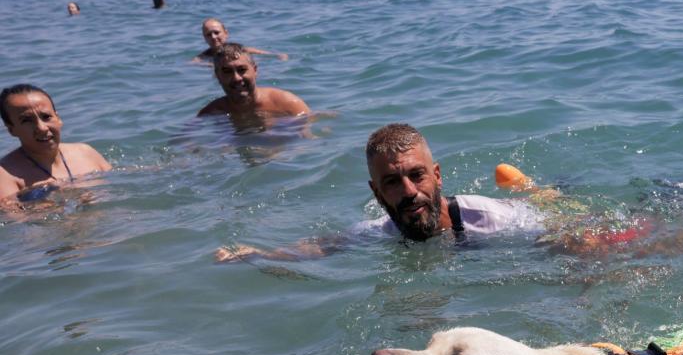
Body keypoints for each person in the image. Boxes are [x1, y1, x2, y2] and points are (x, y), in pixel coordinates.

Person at [215, 123, 545, 261]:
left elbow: (566, 229)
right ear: (376, 193)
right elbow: (326, 245)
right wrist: (259, 255)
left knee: (542, 197)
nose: (409, 191)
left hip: (528, 207)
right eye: (391, 182)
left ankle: (532, 188)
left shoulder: (493, 218)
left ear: (437, 176)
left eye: (417, 175)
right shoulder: (379, 232)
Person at [0, 84, 112, 205]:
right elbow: (14, 218)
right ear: (11, 130)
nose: (42, 128)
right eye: (27, 120)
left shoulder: (85, 152)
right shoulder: (5, 175)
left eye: (46, 117)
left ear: (58, 118)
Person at [197, 44, 310, 123]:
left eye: (242, 70)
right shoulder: (211, 112)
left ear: (255, 70)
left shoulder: (288, 104)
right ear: (217, 76)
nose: (236, 78)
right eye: (227, 72)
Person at [193, 18, 288, 63]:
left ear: (226, 33)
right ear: (204, 38)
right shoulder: (202, 58)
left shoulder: (240, 49)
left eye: (216, 32)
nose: (213, 37)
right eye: (209, 35)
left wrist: (280, 57)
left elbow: (271, 55)